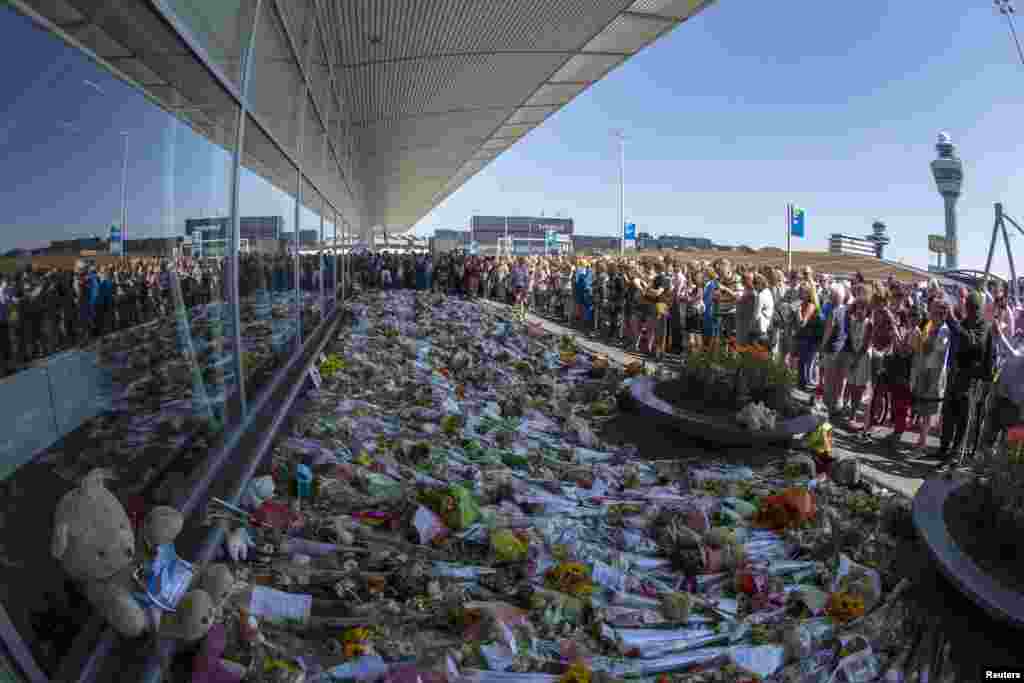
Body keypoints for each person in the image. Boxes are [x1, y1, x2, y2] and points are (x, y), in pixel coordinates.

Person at [937, 291, 993, 464]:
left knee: (964, 416)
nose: (970, 311)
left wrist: (953, 321)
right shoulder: (965, 321)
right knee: (948, 411)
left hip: (971, 377)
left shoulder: (983, 326)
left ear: (978, 309)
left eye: (973, 308)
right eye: (968, 307)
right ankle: (944, 447)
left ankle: (956, 451)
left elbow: (972, 341)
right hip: (957, 372)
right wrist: (948, 319)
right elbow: (957, 339)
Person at [910, 301, 951, 451]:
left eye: (934, 312)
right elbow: (921, 346)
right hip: (924, 368)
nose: (930, 314)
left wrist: (930, 338)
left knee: (928, 408)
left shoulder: (944, 330)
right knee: (923, 406)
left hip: (935, 372)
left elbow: (938, 349)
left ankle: (923, 441)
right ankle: (922, 438)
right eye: (932, 311)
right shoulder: (929, 325)